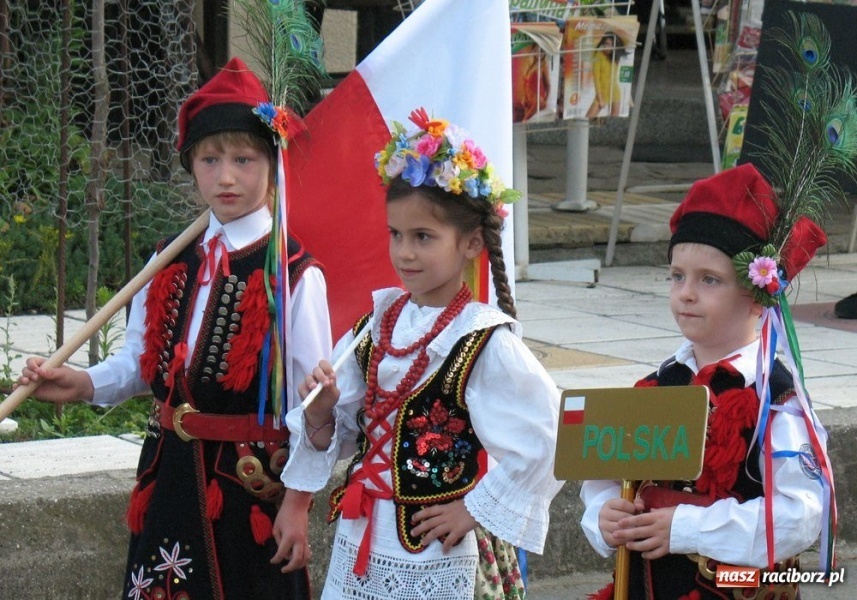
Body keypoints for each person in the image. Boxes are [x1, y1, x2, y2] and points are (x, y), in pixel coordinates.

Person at [15, 57, 332, 600]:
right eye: (210, 159)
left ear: (273, 164)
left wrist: (299, 502)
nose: (226, 176)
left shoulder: (293, 273)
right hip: (168, 478)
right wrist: (83, 383)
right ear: (191, 166)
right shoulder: (168, 259)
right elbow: (141, 364)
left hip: (248, 489)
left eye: (244, 159)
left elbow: (313, 404)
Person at [278, 107, 564, 599]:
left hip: (439, 550)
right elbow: (340, 436)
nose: (405, 252)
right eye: (396, 234)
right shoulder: (375, 328)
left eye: (423, 237)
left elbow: (550, 435)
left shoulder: (481, 339)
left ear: (471, 243)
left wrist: (474, 508)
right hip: (362, 537)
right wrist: (322, 411)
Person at [580, 164, 835, 599]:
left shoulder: (777, 400)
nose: (686, 293)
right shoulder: (656, 385)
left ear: (758, 296)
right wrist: (604, 514)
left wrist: (689, 528)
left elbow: (802, 513)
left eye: (709, 280)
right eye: (677, 275)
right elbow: (606, 477)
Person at [586, 32, 624, 119]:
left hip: (615, 92)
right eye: (607, 44)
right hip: (602, 93)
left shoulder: (615, 57)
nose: (609, 47)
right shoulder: (598, 56)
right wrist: (600, 98)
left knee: (614, 120)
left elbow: (615, 77)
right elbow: (596, 79)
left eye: (612, 44)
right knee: (588, 119)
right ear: (603, 43)